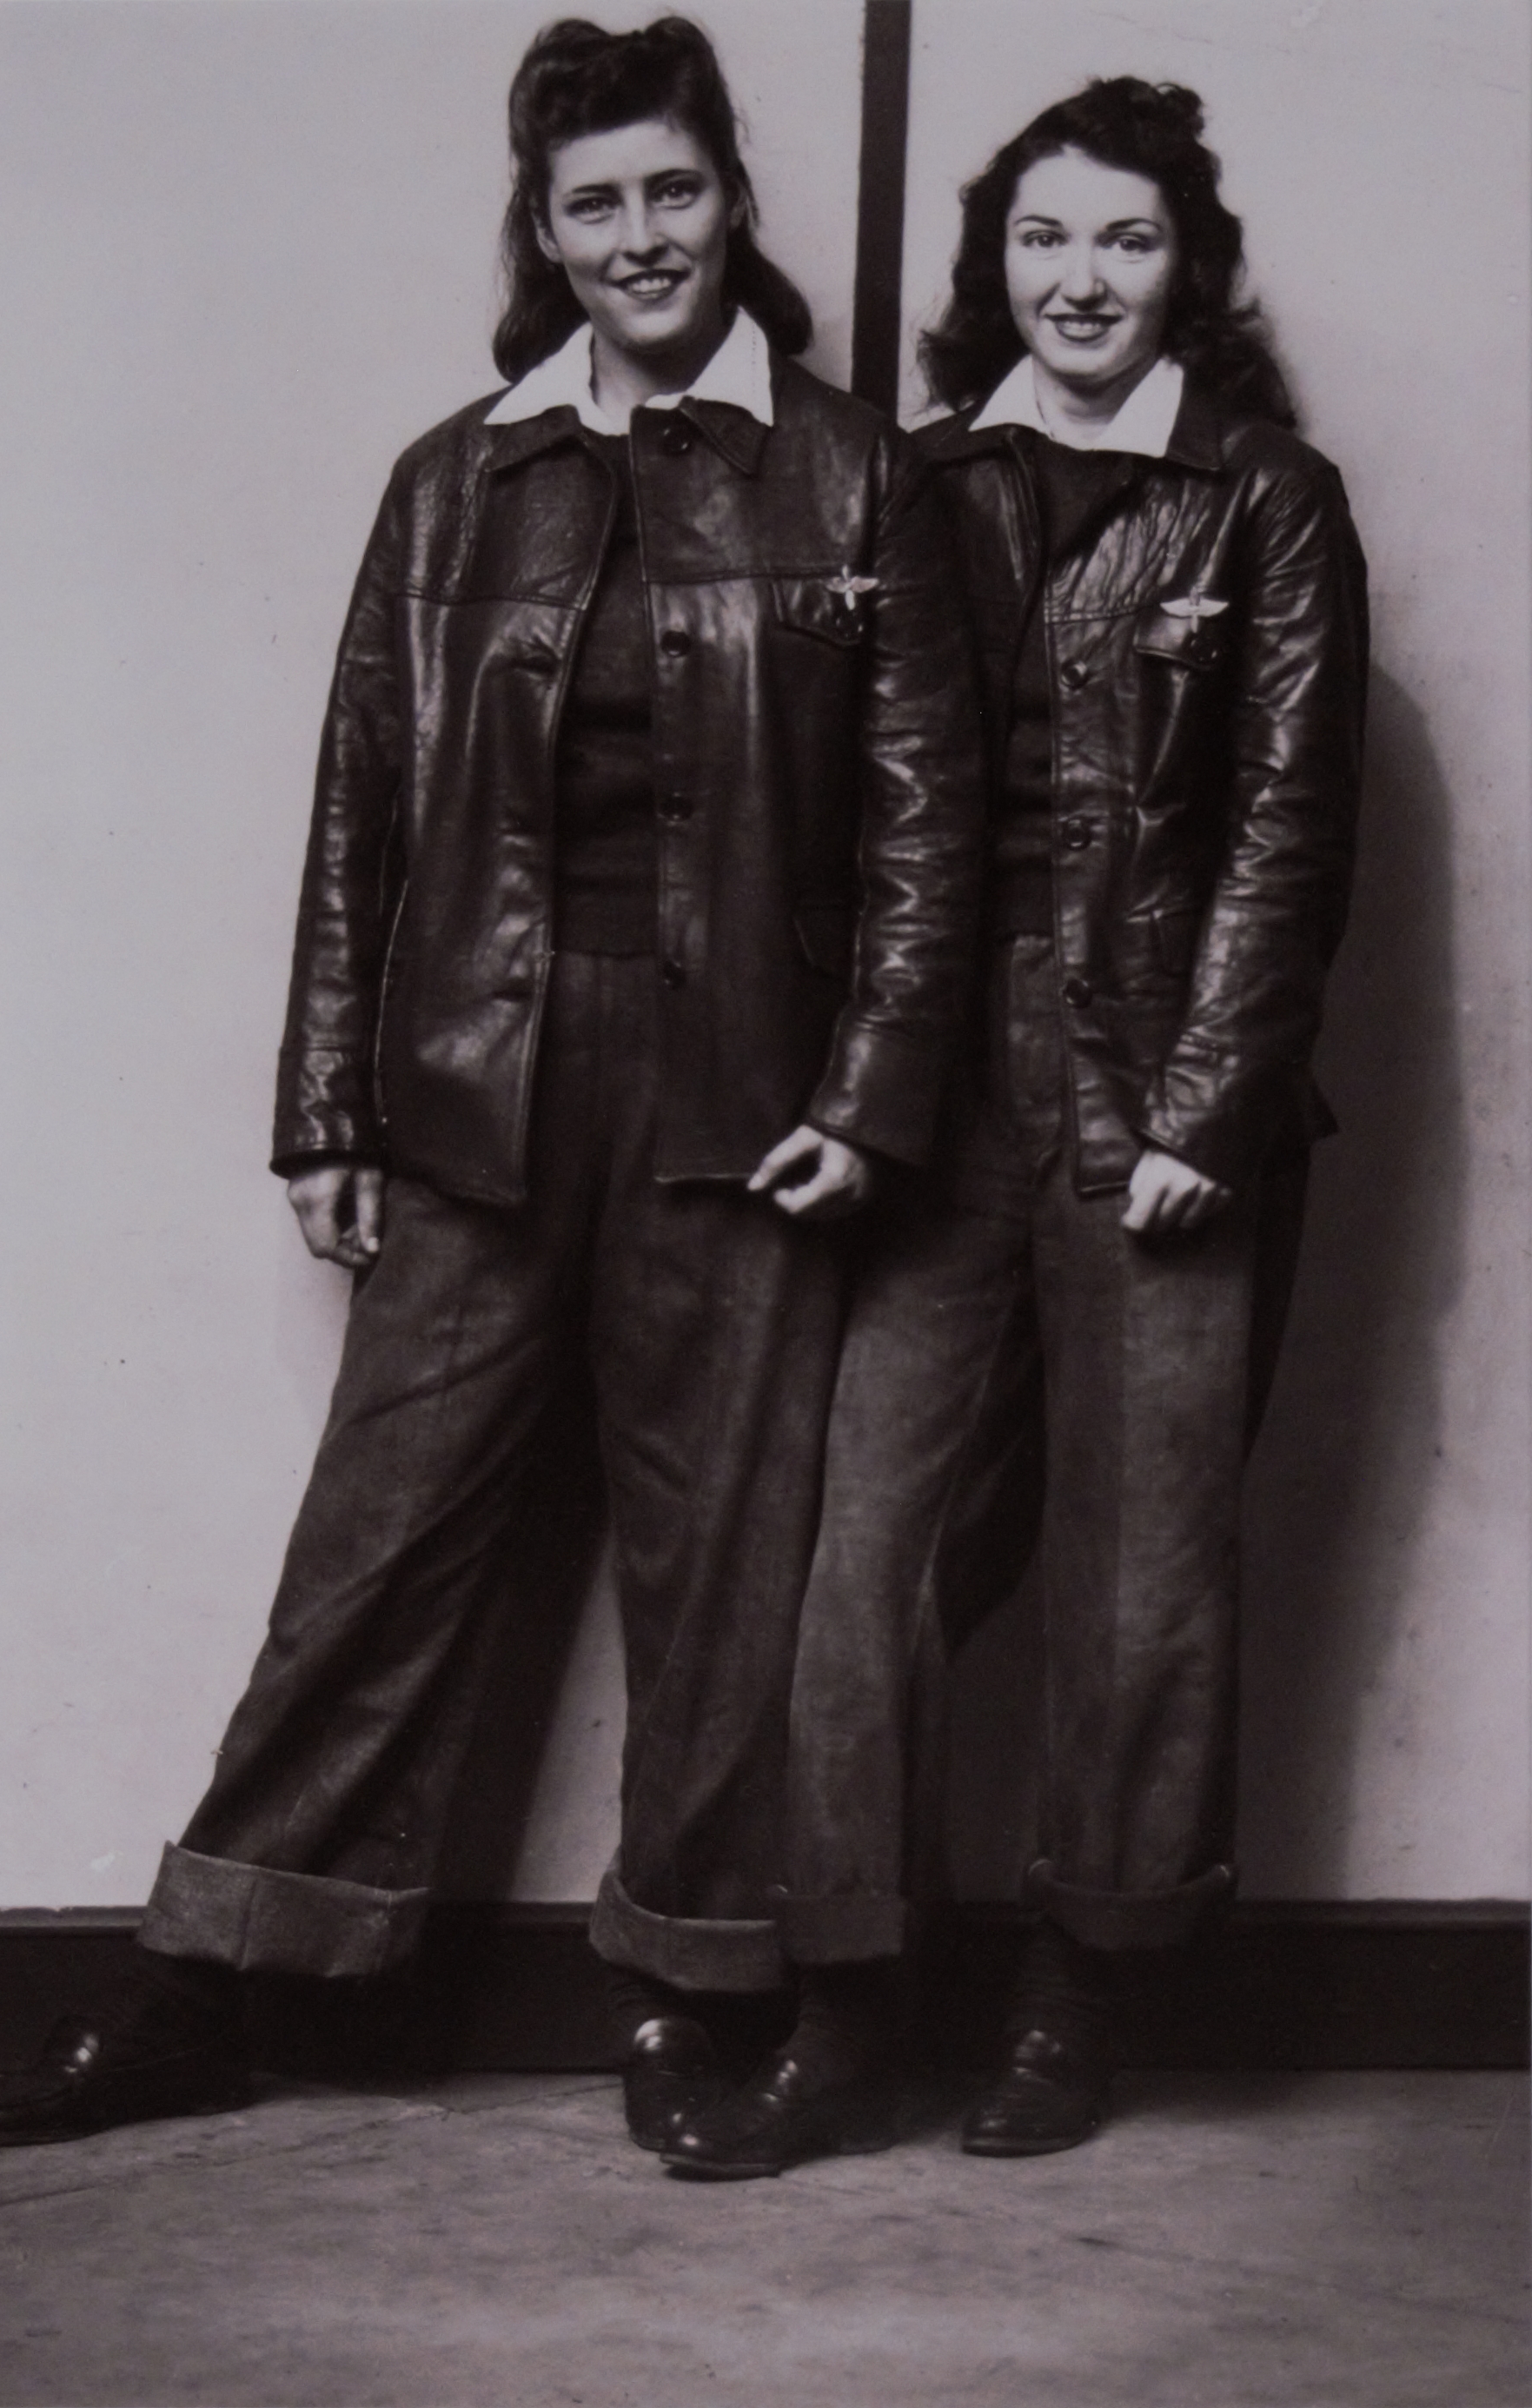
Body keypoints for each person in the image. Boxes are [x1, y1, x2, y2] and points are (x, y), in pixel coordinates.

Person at [0, 17, 982, 2153]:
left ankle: (693, 1997)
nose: (642, 236)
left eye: (674, 189)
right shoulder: (456, 477)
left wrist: (879, 1093)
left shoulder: (853, 475)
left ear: (734, 200)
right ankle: (215, 1980)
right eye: (595, 203)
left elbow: (930, 828)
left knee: (717, 1571)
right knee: (377, 1544)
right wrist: (328, 1099)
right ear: (544, 233)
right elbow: (362, 805)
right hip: (476, 1079)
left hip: (744, 1105)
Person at [663, 76, 1368, 2178]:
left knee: (1141, 1584)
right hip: (943, 1107)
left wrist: (1207, 1107)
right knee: (856, 1560)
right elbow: (867, 807)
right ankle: (849, 2011)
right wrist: (864, 1098)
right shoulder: (926, 481)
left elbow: (1290, 827)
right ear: (995, 269)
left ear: (1193, 275)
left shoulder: (1267, 498)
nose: (1083, 281)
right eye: (1046, 242)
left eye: (1129, 243)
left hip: (1162, 1103)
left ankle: (1078, 2000)